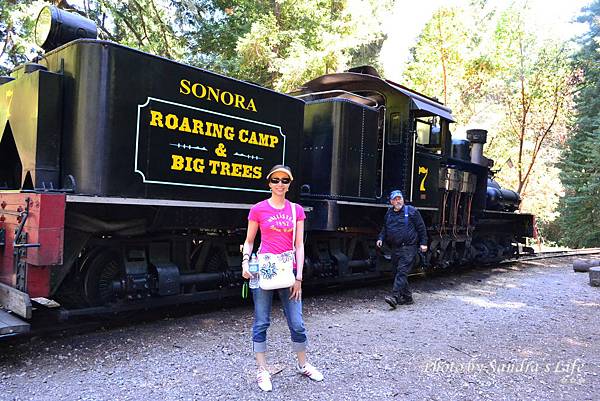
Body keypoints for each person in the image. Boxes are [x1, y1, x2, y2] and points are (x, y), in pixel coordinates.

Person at [241, 164, 324, 392]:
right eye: (275, 180)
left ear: (289, 184)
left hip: (288, 272)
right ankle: (262, 370)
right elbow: (249, 240)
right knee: (261, 322)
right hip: (264, 271)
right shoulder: (258, 209)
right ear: (269, 183)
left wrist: (299, 277)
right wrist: (246, 261)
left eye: (284, 180)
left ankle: (303, 364)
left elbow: (299, 245)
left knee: (297, 322)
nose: (280, 184)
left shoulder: (296, 210)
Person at [376, 189, 428, 309]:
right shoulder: (389, 213)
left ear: (403, 200)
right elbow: (385, 228)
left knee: (402, 272)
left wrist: (423, 243)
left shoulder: (412, 211)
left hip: (409, 247)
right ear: (391, 202)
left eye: (399, 198)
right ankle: (408, 297)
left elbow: (421, 228)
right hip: (395, 248)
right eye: (395, 199)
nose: (398, 201)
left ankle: (394, 297)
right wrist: (380, 238)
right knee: (396, 273)